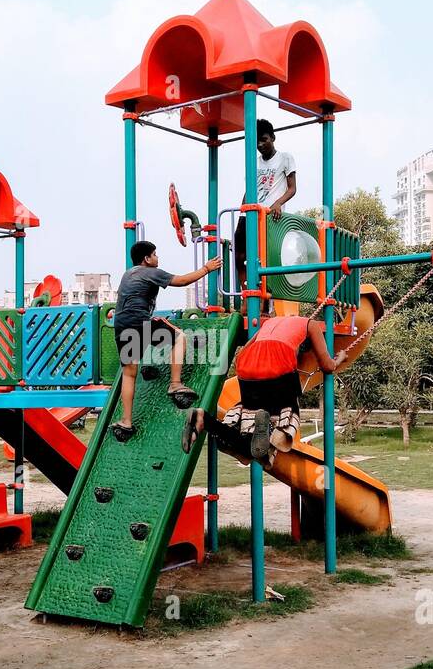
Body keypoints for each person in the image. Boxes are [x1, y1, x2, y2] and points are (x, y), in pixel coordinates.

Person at [183, 314, 345, 462]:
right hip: (278, 361)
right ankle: (266, 428)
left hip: (246, 365)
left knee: (249, 446)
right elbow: (327, 366)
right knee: (289, 412)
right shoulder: (311, 324)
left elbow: (247, 346)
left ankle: (204, 419)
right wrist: (340, 359)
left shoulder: (270, 322)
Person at [111, 240, 222, 443]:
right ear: (146, 259)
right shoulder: (150, 272)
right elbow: (181, 281)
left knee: (129, 372)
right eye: (155, 254)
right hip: (139, 323)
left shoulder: (128, 274)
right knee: (179, 337)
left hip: (121, 326)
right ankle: (175, 384)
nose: (157, 257)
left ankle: (126, 421)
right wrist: (207, 268)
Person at [234, 119, 297, 295]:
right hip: (251, 213)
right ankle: (246, 294)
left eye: (264, 139)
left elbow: (292, 188)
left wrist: (278, 203)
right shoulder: (255, 162)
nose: (261, 145)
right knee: (240, 254)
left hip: (269, 215)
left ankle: (264, 298)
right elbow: (249, 191)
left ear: (273, 138)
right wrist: (241, 215)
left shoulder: (285, 158)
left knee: (263, 257)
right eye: (257, 142)